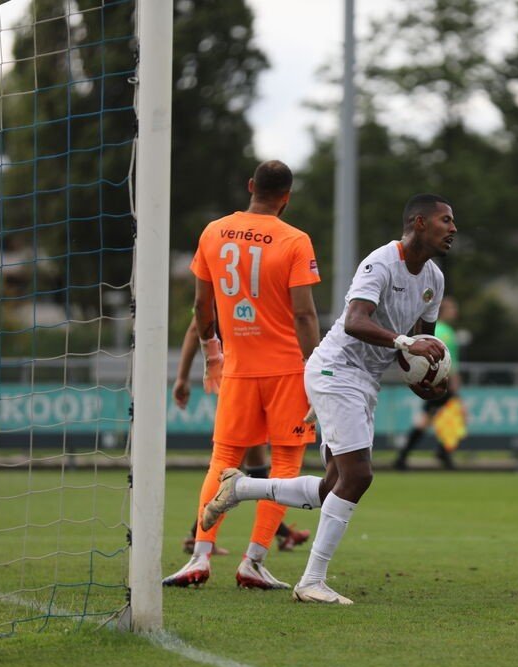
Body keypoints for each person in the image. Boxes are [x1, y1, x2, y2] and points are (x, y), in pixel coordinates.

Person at [200, 193, 457, 605]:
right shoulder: (380, 263)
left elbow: (418, 347)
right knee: (359, 477)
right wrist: (407, 341)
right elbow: (356, 321)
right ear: (419, 223)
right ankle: (311, 580)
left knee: (332, 486)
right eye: (446, 220)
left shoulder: (435, 279)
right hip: (335, 369)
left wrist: (427, 379)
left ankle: (241, 487)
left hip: (363, 380)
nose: (453, 228)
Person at [162, 160, 321, 590]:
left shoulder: (214, 231)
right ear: (287, 197)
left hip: (238, 367)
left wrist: (214, 353)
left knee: (222, 461)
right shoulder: (295, 239)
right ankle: (253, 561)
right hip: (288, 367)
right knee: (285, 463)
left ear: (250, 186)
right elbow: (304, 313)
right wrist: (318, 371)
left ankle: (199, 556)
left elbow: (201, 308)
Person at [171, 318, 311, 556]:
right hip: (261, 374)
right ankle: (202, 536)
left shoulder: (223, 288)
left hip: (238, 375)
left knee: (252, 461)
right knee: (237, 464)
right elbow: (197, 325)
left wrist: (183, 377)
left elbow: (197, 324)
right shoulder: (250, 291)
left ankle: (279, 533)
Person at [393, 295, 463, 470]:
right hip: (441, 383)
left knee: (434, 417)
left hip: (431, 381)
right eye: (452, 308)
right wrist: (453, 383)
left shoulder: (435, 330)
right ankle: (411, 455)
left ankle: (435, 453)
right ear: (443, 312)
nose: (455, 311)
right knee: (444, 417)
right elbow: (447, 363)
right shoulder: (446, 332)